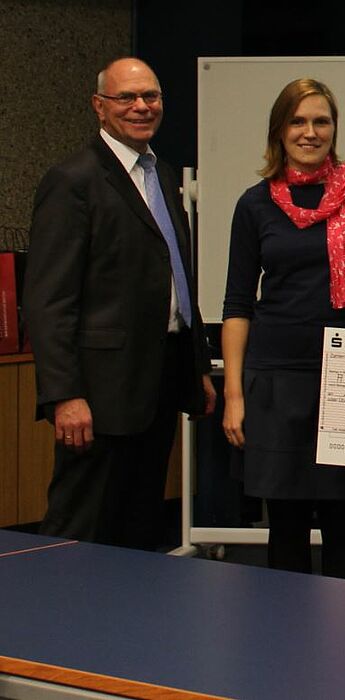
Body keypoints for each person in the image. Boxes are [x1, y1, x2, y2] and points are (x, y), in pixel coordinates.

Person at [25, 57, 215, 550]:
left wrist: (195, 368)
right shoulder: (73, 180)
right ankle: (57, 626)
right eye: (126, 98)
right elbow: (49, 299)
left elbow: (176, 279)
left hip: (157, 384)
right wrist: (64, 395)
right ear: (99, 107)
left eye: (150, 96)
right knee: (80, 529)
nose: (140, 107)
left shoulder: (161, 173)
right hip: (97, 396)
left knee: (138, 529)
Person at [221, 78, 345, 579]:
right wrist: (234, 393)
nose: (310, 132)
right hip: (275, 378)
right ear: (279, 130)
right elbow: (236, 303)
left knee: (344, 520)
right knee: (286, 524)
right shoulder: (255, 204)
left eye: (321, 121)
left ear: (334, 129)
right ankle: (285, 634)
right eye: (298, 121)